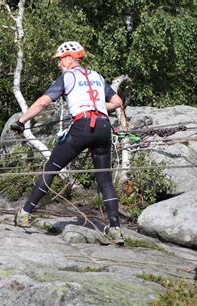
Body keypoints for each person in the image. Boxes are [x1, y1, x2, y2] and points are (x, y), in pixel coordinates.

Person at [10, 41, 124, 243]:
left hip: (82, 127)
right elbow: (117, 102)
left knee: (51, 168)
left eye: (60, 60)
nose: (58, 64)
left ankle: (25, 213)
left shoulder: (67, 77)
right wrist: (95, 106)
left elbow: (44, 102)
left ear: (70, 59)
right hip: (104, 126)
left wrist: (21, 121)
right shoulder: (97, 76)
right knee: (104, 178)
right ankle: (115, 228)